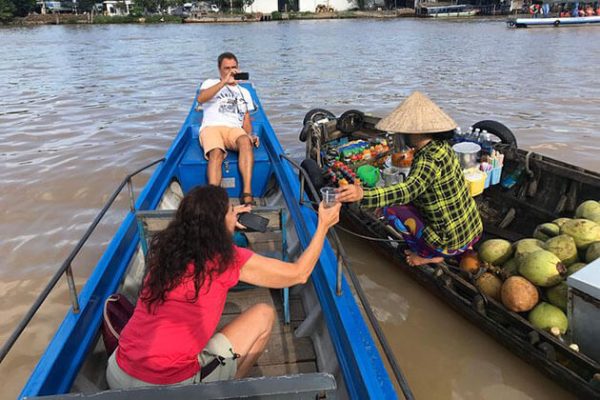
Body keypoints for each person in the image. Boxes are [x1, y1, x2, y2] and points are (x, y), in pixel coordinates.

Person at [106, 185, 341, 389]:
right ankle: (228, 390)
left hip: (117, 372)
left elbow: (201, 228)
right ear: (217, 224)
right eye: (230, 209)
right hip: (170, 388)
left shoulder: (164, 254)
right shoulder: (227, 260)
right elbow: (299, 274)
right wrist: (323, 226)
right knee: (264, 315)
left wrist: (225, 220)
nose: (234, 211)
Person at [337, 91, 483, 267]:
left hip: (449, 242)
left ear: (416, 133)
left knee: (389, 210)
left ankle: (427, 254)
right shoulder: (442, 147)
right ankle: (448, 249)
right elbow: (420, 186)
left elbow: (407, 190)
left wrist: (363, 194)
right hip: (472, 230)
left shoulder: (428, 160)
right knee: (411, 204)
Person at [197, 52, 258, 205]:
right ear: (219, 69)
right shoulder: (210, 83)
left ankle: (247, 193)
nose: (231, 71)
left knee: (245, 141)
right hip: (211, 127)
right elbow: (201, 98)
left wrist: (250, 134)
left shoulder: (244, 92)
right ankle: (214, 200)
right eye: (226, 68)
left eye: (234, 67)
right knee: (216, 152)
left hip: (233, 129)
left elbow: (246, 118)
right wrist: (223, 82)